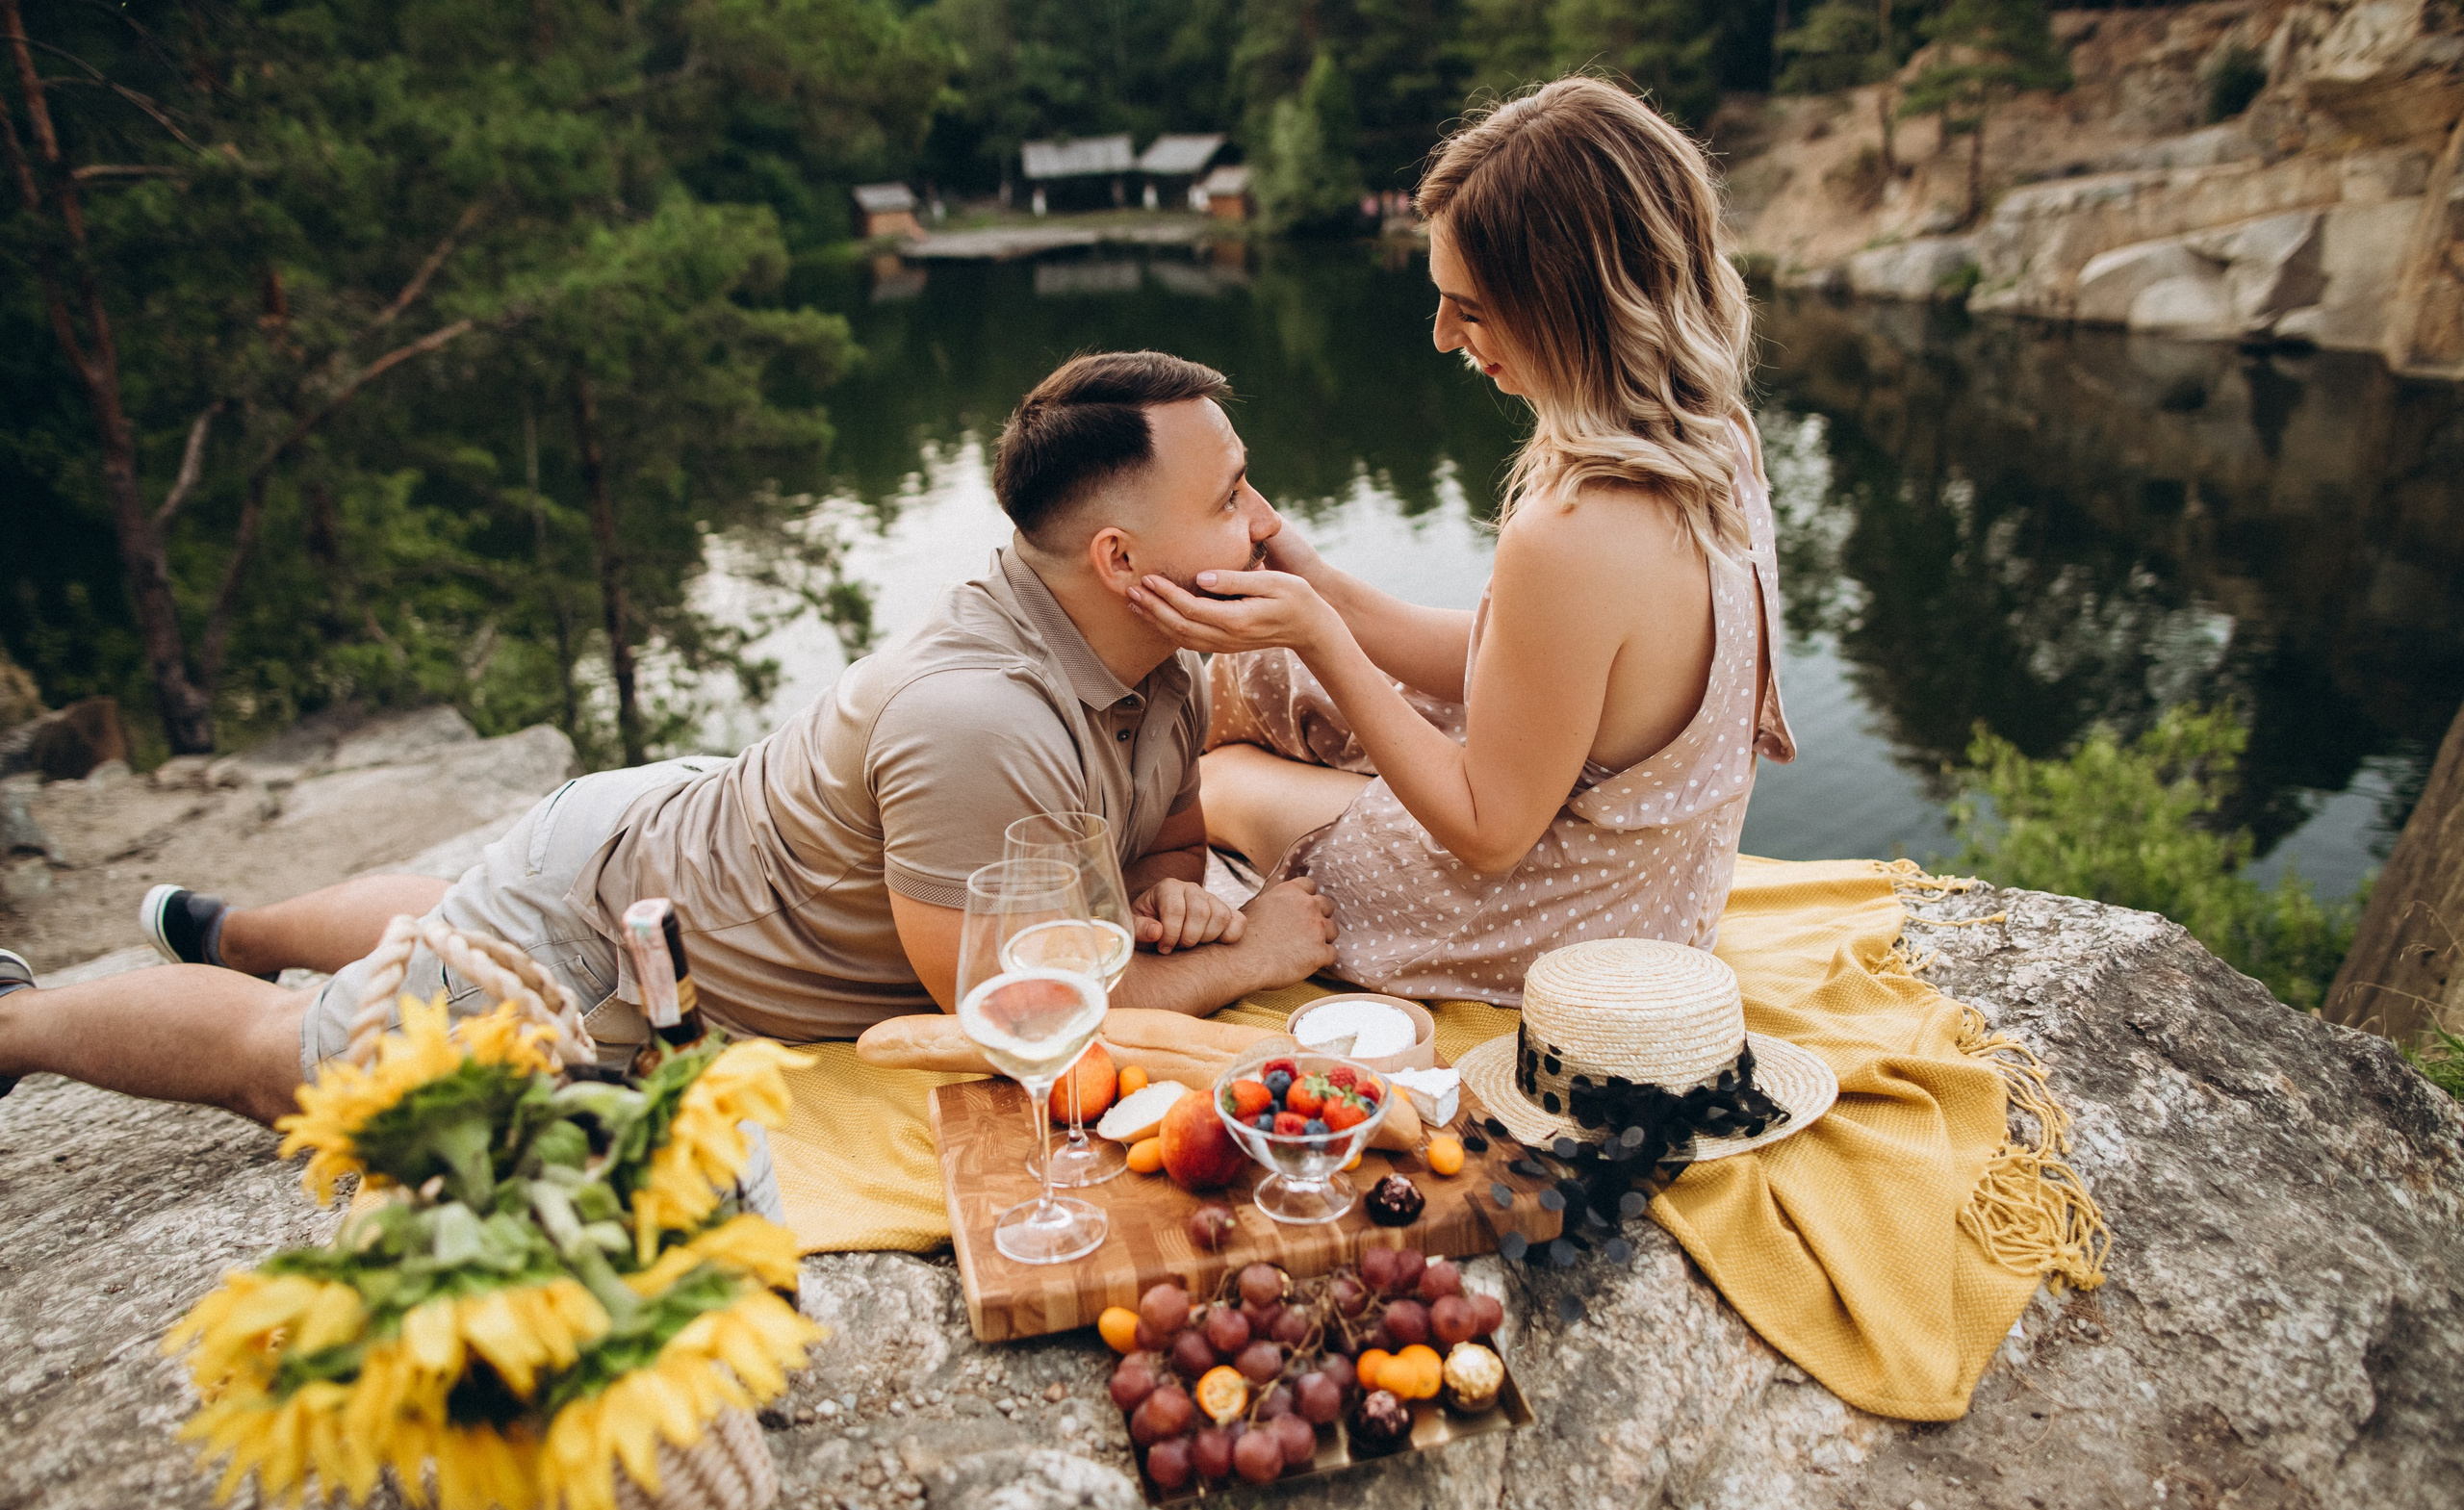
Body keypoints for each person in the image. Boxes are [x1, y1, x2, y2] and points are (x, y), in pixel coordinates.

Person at [0, 351, 1338, 1120]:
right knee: (290, 1069)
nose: (1267, 522)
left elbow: (1162, 829)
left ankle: (234, 926)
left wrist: (1171, 901)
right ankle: (25, 1015)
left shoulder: (1160, 652)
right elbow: (1006, 1021)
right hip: (600, 942)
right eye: (1231, 498)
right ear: (1119, 553)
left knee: (474, 905)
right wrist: (1262, 943)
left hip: (651, 849)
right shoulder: (982, 718)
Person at [1126, 78, 1796, 1005]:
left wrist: (1319, 632)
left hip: (1572, 919)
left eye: (1470, 307)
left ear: (1572, 305)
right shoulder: (1715, 439)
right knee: (1249, 676)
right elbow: (1534, 668)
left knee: (1223, 775)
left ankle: (1140, 925)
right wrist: (1316, 587)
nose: (1443, 336)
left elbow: (1490, 828)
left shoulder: (1573, 536)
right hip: (1660, 883)